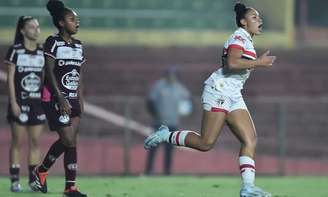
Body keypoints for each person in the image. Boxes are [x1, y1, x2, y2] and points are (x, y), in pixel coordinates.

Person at [144, 2, 276, 197]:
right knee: (205, 143)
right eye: (255, 17)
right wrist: (259, 63)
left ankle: (248, 188)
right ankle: (166, 135)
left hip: (233, 93)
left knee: (250, 139)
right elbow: (231, 63)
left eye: (259, 17)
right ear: (243, 22)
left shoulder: (247, 39)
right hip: (219, 90)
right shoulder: (238, 36)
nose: (260, 20)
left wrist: (256, 62)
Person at [30, 1, 87, 196]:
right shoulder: (52, 42)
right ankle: (57, 180)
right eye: (72, 20)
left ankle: (53, 177)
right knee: (69, 140)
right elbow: (49, 72)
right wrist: (60, 98)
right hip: (54, 98)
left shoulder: (79, 46)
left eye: (77, 20)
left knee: (70, 141)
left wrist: (80, 99)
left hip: (73, 99)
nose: (76, 23)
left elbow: (79, 74)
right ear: (61, 23)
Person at [4, 16, 45, 192]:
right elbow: (10, 79)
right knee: (17, 141)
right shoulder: (15, 51)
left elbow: (45, 79)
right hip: (20, 103)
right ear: (22, 30)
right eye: (31, 27)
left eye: (37, 27)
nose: (36, 30)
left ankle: (32, 180)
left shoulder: (43, 52)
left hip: (37, 104)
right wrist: (13, 102)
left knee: (35, 142)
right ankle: (14, 180)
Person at [145, 67, 192, 175]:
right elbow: (150, 101)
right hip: (159, 123)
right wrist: (155, 115)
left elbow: (187, 100)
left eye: (173, 75)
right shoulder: (159, 86)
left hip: (172, 124)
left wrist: (186, 111)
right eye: (170, 75)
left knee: (169, 150)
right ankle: (149, 170)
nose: (171, 77)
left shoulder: (179, 88)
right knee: (153, 147)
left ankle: (167, 171)